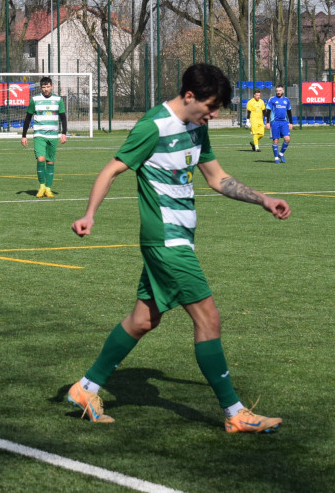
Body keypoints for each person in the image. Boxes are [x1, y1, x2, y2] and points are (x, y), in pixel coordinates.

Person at [69, 63, 291, 433]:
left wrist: (263, 199)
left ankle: (85, 388)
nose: (214, 114)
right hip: (166, 241)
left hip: (179, 239)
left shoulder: (196, 126)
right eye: (211, 106)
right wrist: (90, 215)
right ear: (189, 96)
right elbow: (110, 170)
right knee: (209, 319)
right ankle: (235, 413)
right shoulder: (152, 126)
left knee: (143, 320)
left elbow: (218, 178)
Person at [21, 76, 67, 198]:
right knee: (41, 159)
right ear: (41, 88)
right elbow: (28, 118)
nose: (46, 89)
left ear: (51, 86)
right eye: (43, 87)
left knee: (50, 161)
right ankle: (42, 186)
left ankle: (48, 188)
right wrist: (24, 135)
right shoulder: (35, 100)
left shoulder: (58, 100)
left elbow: (63, 117)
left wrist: (64, 133)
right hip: (39, 134)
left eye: (48, 87)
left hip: (53, 135)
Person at [265, 85, 293, 164]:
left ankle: (281, 154)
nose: (278, 92)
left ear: (283, 91)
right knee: (276, 140)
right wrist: (267, 122)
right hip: (275, 122)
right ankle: (276, 157)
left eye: (280, 90)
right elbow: (268, 111)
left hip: (284, 122)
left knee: (287, 139)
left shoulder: (286, 100)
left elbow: (289, 112)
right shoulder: (272, 99)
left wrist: (291, 123)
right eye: (277, 91)